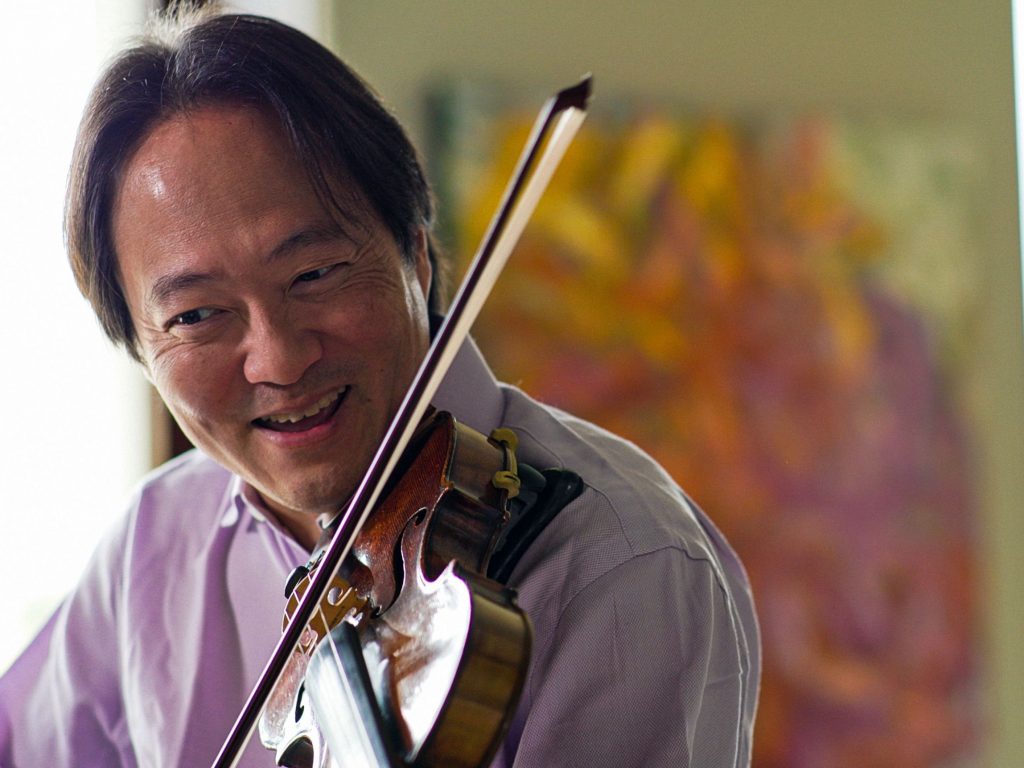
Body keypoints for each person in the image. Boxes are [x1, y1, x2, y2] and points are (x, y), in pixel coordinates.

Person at [0, 9, 759, 767]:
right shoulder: (157, 544)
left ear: (418, 258)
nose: (279, 360)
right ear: (137, 345)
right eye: (196, 315)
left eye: (315, 273)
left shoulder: (621, 562)